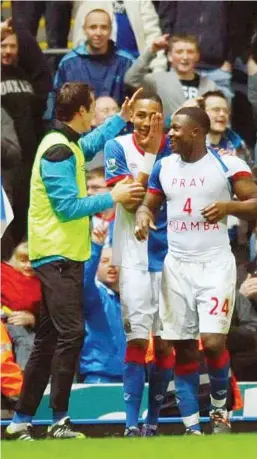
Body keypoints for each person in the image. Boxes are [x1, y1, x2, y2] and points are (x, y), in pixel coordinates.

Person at [5, 82, 145, 441]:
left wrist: (121, 121)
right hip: (58, 256)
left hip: (60, 254)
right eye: (95, 108)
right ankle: (59, 419)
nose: (98, 113)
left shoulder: (63, 145)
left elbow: (89, 144)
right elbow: (67, 208)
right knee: (72, 333)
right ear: (82, 111)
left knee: (49, 338)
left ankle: (21, 420)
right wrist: (111, 196)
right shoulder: (58, 151)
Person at [135, 106, 257, 435]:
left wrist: (228, 206)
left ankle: (219, 410)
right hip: (176, 266)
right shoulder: (164, 167)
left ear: (196, 132)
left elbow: (254, 203)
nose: (170, 134)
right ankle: (192, 426)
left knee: (213, 342)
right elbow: (150, 202)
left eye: (176, 128)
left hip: (215, 264)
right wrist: (144, 215)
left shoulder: (227, 164)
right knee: (183, 345)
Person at [104, 92, 174, 437]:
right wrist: (150, 153)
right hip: (132, 257)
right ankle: (131, 424)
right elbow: (132, 202)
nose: (148, 122)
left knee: (164, 343)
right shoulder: (117, 148)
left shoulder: (176, 149)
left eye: (155, 115)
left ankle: (153, 422)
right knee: (136, 340)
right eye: (142, 115)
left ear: (164, 117)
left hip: (172, 259)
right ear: (131, 116)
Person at [125, 33, 216, 121]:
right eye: (179, 52)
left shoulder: (209, 85)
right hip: (167, 134)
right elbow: (131, 79)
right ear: (169, 56)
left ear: (197, 56)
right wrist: (151, 51)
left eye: (190, 52)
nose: (185, 57)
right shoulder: (157, 80)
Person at [54, 9, 134, 106]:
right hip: (79, 120)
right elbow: (58, 105)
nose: (98, 33)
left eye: (104, 27)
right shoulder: (68, 63)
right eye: (93, 27)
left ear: (111, 30)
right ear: (84, 30)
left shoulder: (127, 62)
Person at [80, 225, 125, 383]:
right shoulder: (95, 295)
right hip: (99, 376)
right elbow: (85, 280)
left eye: (115, 262)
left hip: (128, 377)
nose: (112, 266)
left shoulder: (126, 299)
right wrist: (96, 247)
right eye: (105, 261)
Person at [73, 0, 167, 72]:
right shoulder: (89, 3)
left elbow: (153, 35)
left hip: (137, 71)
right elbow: (81, 42)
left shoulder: (141, 2)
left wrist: (159, 69)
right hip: (100, 69)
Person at [1, 242, 41, 371]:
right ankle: (26, 376)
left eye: (33, 261)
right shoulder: (6, 275)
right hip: (8, 320)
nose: (28, 265)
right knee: (26, 342)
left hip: (28, 326)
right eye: (23, 261)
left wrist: (33, 318)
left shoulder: (42, 283)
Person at [201, 90, 254, 168]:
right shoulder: (190, 146)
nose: (222, 114)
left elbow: (252, 176)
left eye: (226, 111)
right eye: (216, 109)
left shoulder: (238, 144)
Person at [87, 167, 115, 247]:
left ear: (112, 188)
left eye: (95, 187)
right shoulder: (83, 220)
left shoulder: (126, 219)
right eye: (88, 188)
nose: (88, 192)